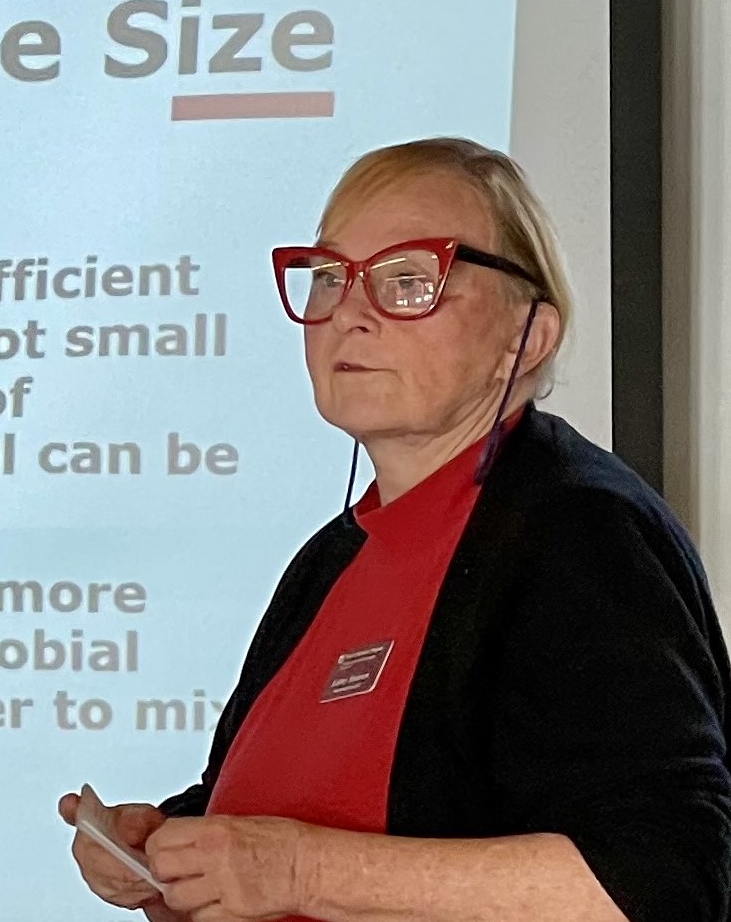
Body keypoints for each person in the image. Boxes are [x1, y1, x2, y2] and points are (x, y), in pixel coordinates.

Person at [59, 137, 731, 922]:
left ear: (528, 336)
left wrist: (301, 873)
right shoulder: (332, 557)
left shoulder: (579, 532)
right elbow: (297, 812)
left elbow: (667, 877)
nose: (348, 314)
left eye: (408, 279)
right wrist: (171, 845)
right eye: (330, 277)